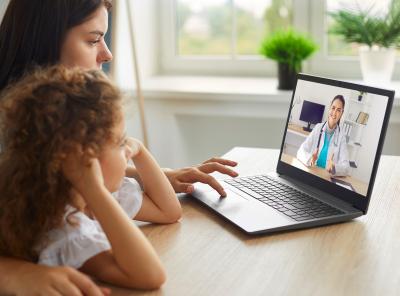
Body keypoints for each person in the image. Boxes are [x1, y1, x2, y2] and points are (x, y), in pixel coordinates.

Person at [0, 0, 238, 294]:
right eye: (93, 39)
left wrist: (153, 175)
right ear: (45, 39)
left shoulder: (64, 130)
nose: (107, 54)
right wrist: (11, 273)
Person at [0, 65, 181, 289]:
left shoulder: (104, 195)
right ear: (84, 159)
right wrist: (95, 190)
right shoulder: (64, 227)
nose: (128, 149)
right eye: (120, 141)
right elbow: (152, 276)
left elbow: (169, 212)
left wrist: (141, 150)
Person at [296, 95, 350, 176]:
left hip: (326, 177)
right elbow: (300, 151)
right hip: (312, 172)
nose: (334, 113)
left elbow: (346, 167)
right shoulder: (318, 128)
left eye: (339, 110)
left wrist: (334, 168)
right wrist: (310, 158)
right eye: (333, 108)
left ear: (342, 113)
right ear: (329, 108)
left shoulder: (341, 136)